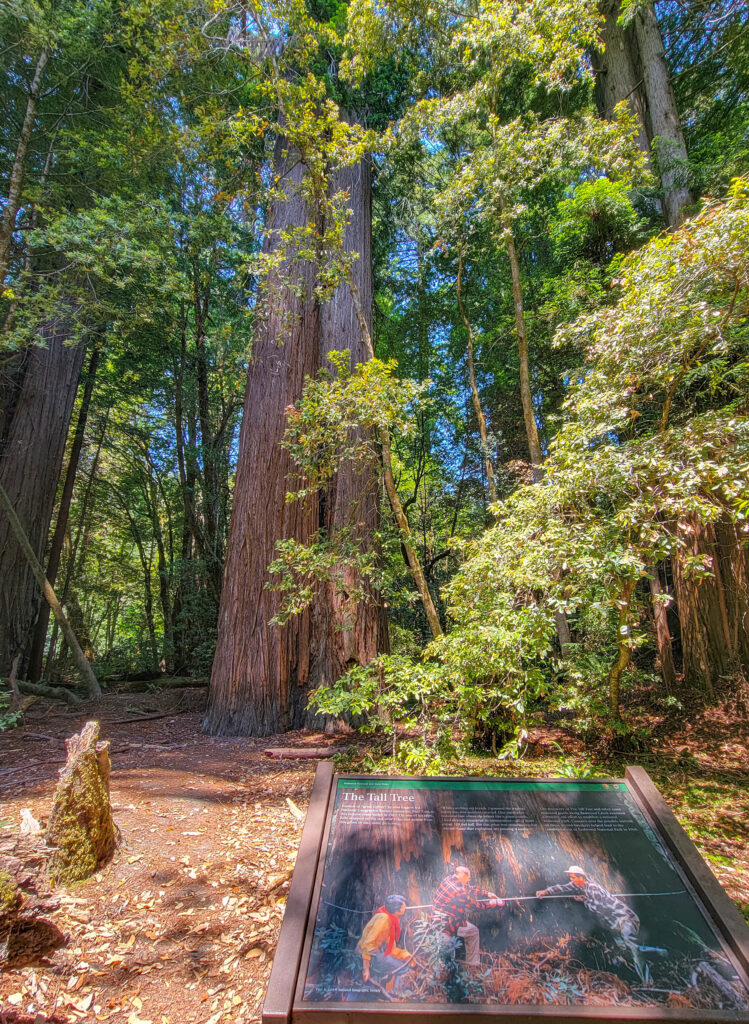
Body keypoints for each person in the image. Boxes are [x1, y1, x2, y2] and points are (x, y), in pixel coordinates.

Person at [536, 865, 645, 978]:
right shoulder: (581, 886)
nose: (571, 880)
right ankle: (637, 971)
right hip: (614, 924)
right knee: (623, 949)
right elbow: (563, 888)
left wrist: (584, 900)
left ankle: (648, 980)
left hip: (625, 919)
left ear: (581, 877)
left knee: (634, 949)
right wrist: (545, 892)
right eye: (571, 878)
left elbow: (599, 908)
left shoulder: (593, 889)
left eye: (573, 877)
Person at [432, 865, 504, 966]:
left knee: (473, 931)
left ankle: (472, 964)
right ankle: (444, 975)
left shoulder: (448, 879)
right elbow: (474, 906)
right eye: (468, 876)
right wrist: (491, 904)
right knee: (445, 958)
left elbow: (468, 888)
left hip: (443, 918)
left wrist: (487, 894)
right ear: (462, 875)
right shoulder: (458, 891)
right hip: (445, 924)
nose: (469, 879)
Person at [357, 894, 411, 992]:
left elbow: (391, 948)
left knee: (401, 964)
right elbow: (368, 943)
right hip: (370, 955)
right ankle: (397, 995)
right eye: (403, 906)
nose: (405, 908)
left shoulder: (388, 918)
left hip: (374, 953)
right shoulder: (383, 919)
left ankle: (390, 991)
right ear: (396, 909)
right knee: (402, 969)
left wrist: (406, 956)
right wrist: (366, 969)